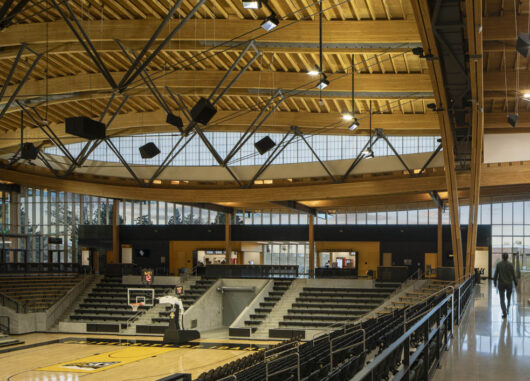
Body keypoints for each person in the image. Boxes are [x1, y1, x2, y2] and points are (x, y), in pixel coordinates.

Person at [494, 253, 518, 319]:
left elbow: (496, 274)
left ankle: (504, 312)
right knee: (509, 297)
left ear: (502, 257)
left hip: (501, 284)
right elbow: (513, 275)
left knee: (502, 299)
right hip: (509, 284)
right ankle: (507, 308)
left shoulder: (498, 264)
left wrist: (495, 282)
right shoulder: (511, 265)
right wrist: (516, 283)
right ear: (507, 257)